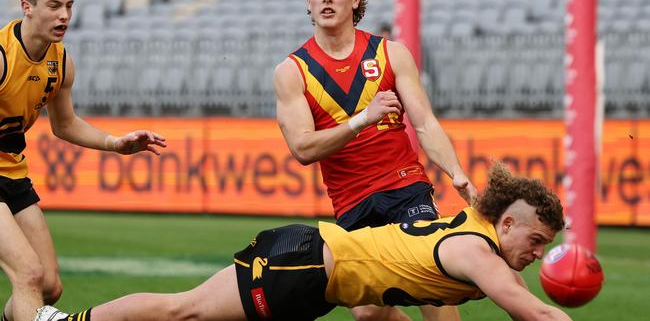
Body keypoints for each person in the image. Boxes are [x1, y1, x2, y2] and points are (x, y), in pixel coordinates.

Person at [35, 162, 572, 321]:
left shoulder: (474, 230)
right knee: (186, 311)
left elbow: (379, 303)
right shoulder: (476, 253)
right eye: (536, 240)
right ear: (505, 224)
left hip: (313, 273)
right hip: (302, 268)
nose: (537, 254)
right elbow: (537, 315)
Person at [273, 0, 476, 319]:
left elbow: (426, 123)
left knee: (433, 285)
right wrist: (363, 119)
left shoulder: (390, 53)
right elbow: (303, 149)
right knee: (368, 313)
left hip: (404, 187)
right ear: (307, 0)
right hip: (351, 202)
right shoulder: (293, 71)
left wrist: (456, 173)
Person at [0, 0, 166, 321]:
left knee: (49, 287)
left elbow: (65, 124)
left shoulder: (60, 61)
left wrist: (114, 143)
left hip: (12, 172)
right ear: (26, 8)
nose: (65, 15)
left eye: (70, 6)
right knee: (27, 274)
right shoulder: (1, 56)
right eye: (54, 5)